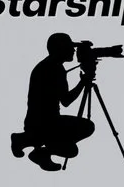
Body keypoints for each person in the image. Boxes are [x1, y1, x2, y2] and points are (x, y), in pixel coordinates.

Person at [11, 35, 95, 172]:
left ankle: (25, 140)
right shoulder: (55, 69)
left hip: (38, 122)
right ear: (61, 49)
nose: (74, 51)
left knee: (70, 149)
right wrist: (83, 82)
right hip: (46, 124)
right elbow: (66, 100)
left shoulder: (48, 65)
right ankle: (35, 148)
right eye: (70, 47)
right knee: (87, 129)